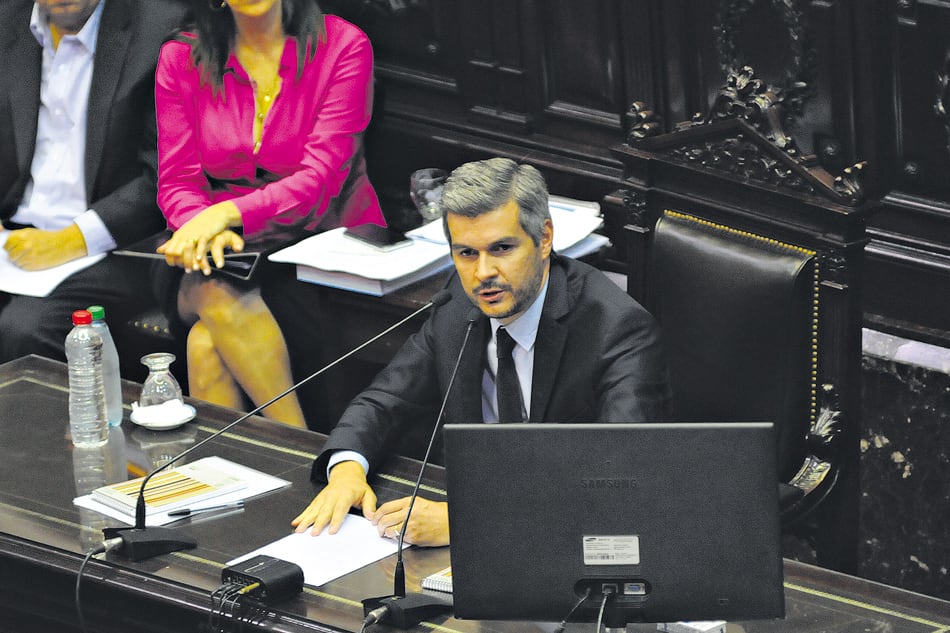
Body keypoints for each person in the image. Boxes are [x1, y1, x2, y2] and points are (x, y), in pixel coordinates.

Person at [292, 157, 671, 546]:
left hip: (566, 540)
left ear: (544, 238)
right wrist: (347, 470)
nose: (483, 273)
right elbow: (384, 401)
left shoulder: (618, 330)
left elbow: (620, 481)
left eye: (501, 248)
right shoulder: (457, 305)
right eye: (467, 253)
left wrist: (467, 524)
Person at [153, 0, 385, 428]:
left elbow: (319, 183)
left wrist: (227, 215)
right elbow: (177, 180)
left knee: (206, 344)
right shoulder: (181, 57)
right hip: (214, 253)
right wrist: (203, 228)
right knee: (216, 289)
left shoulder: (342, 46)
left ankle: (260, 468)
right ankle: (304, 452)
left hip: (318, 250)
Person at [0, 0, 188, 363]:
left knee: (25, 330)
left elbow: (166, 173)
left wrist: (72, 240)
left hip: (116, 243)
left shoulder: (161, 29)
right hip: (14, 234)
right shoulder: (8, 20)